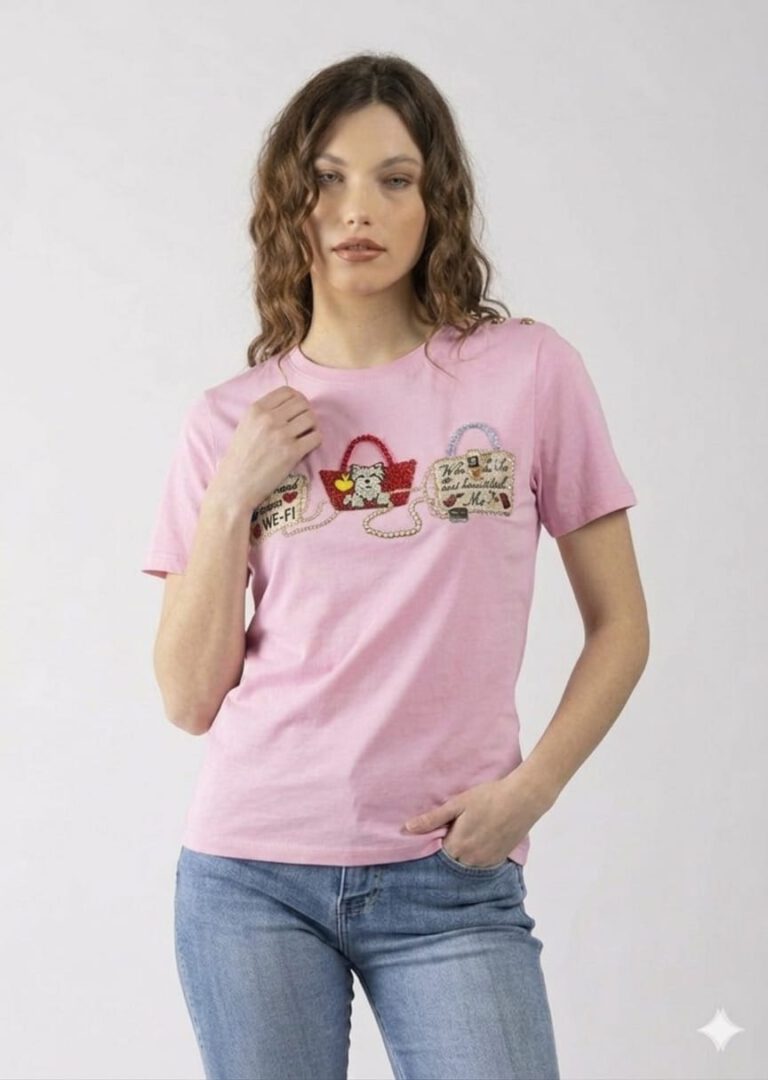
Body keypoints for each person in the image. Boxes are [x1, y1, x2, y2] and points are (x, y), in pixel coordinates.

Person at [141, 52, 649, 1080]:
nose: (357, 209)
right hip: (250, 877)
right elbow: (189, 699)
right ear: (288, 204)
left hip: (451, 876)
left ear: (436, 200)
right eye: (326, 179)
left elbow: (622, 626)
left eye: (395, 178)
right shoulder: (227, 422)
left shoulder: (527, 372)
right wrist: (232, 498)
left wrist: (533, 789)